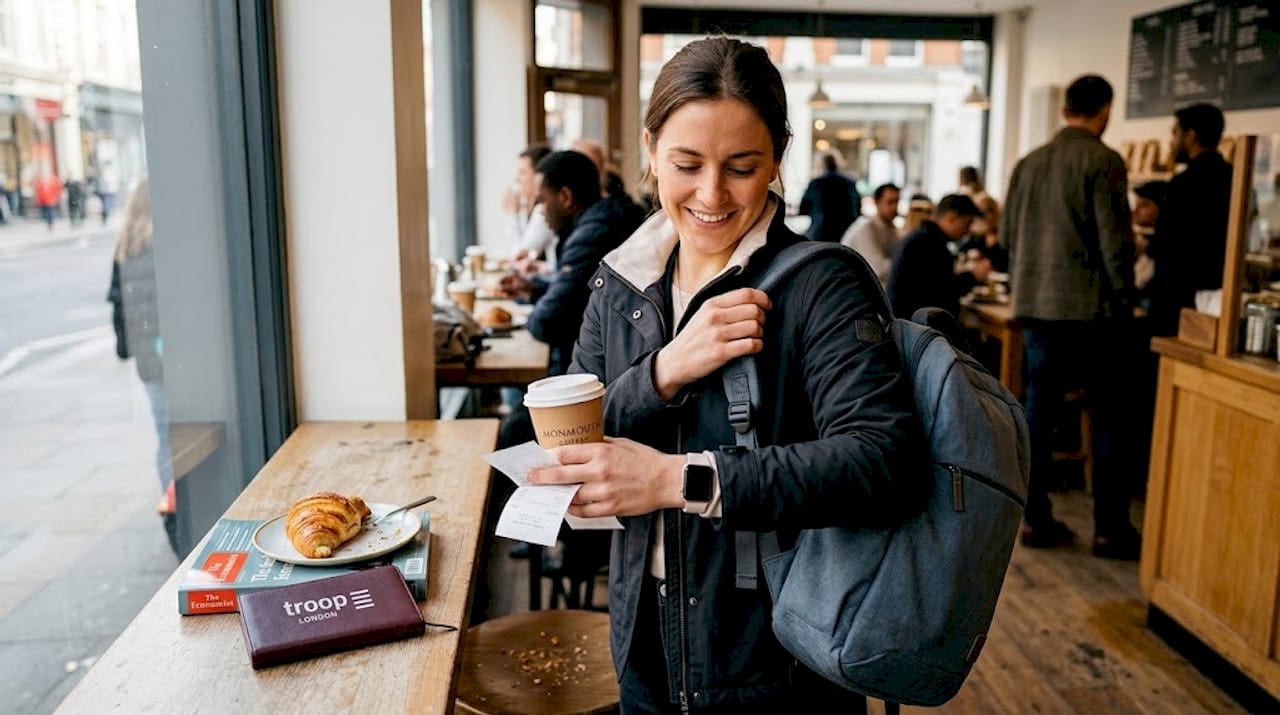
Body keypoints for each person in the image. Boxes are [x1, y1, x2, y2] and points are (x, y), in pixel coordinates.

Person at [526, 36, 922, 712]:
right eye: (687, 164)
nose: (711, 194)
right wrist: (663, 371)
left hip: (779, 662)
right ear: (650, 150)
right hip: (644, 646)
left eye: (742, 166)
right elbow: (580, 425)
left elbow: (884, 462)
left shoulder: (821, 284)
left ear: (776, 159)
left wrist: (674, 479)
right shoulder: (620, 282)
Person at [1001, 74, 1141, 560]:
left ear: (1065, 109)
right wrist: (1126, 299)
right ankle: (1110, 528)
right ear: (1104, 109)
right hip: (1091, 314)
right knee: (1109, 419)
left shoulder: (1028, 163)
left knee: (1038, 414)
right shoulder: (1103, 160)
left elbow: (1008, 238)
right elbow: (1114, 244)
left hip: (1036, 307)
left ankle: (1035, 519)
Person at [500, 150, 643, 375]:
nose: (541, 211)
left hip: (598, 373)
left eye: (542, 201)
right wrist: (534, 290)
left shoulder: (591, 237)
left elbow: (549, 321)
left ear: (565, 197)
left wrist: (532, 315)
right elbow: (579, 296)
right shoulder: (604, 219)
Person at [106, 179, 177, 554]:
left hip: (150, 364)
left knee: (165, 439)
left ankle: (172, 510)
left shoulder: (125, 246)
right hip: (179, 357)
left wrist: (126, 349)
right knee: (187, 436)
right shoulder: (167, 243)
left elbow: (117, 304)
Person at [1146, 103, 1233, 337]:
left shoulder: (1183, 184)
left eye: (1175, 133)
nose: (1172, 142)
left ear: (1190, 135)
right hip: (1217, 298)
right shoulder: (1234, 178)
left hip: (1176, 299)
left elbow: (1167, 245)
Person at [887, 193, 990, 320]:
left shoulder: (923, 237)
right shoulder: (930, 244)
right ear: (951, 218)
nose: (967, 231)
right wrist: (973, 276)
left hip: (907, 325)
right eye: (967, 224)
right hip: (918, 328)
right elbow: (945, 292)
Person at [840, 182, 900, 287]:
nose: (894, 207)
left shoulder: (890, 227)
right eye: (890, 202)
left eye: (897, 202)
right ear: (877, 202)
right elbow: (879, 268)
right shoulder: (865, 229)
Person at [504, 144, 556, 264]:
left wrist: (512, 214)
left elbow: (520, 255)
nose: (517, 179)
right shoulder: (531, 206)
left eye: (522, 172)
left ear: (538, 176)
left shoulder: (544, 209)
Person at [798, 152, 861, 242]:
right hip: (846, 234)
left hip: (820, 233)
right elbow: (858, 209)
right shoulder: (849, 183)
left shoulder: (816, 183)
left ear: (822, 164)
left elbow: (803, 208)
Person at [957, 194, 1008, 273]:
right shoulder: (974, 238)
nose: (988, 216)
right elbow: (961, 256)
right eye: (981, 214)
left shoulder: (1005, 236)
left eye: (990, 211)